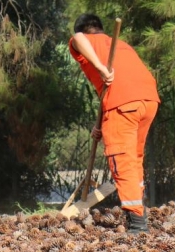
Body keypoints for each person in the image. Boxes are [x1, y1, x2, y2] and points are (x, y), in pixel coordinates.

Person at [69, 13, 161, 234]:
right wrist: (100, 124)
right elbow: (107, 92)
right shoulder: (120, 45)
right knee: (134, 159)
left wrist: (100, 67)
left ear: (86, 30)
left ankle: (138, 224)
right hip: (148, 101)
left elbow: (77, 38)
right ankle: (139, 212)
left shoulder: (85, 42)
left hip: (124, 105)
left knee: (122, 161)